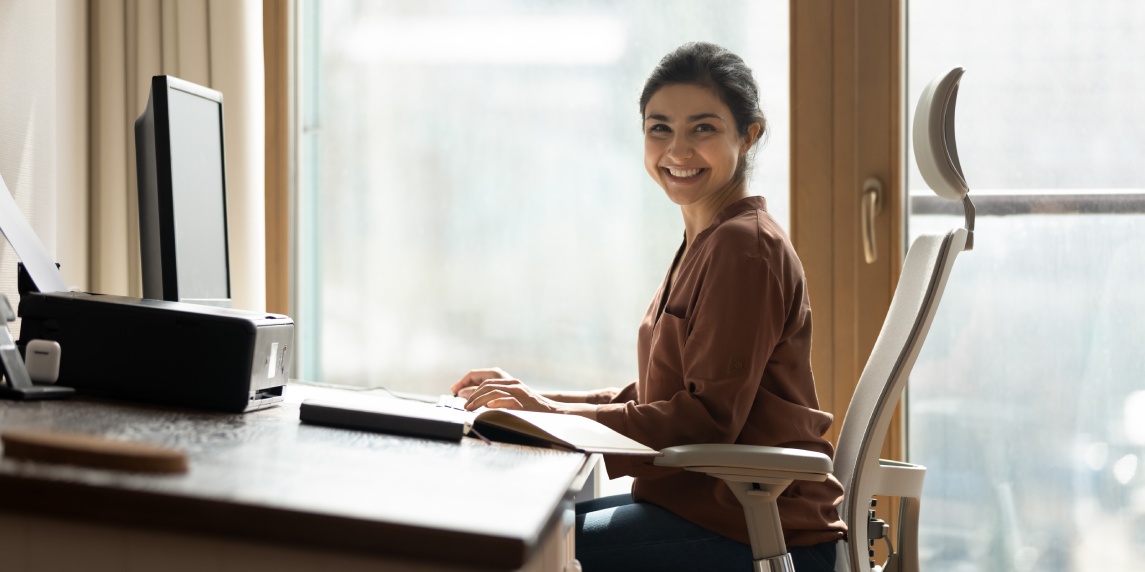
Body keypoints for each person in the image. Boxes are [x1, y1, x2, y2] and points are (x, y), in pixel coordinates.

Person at [451, 42, 845, 572]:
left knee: (517, 549)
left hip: (756, 530)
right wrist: (533, 401)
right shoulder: (708, 240)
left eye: (703, 129)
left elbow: (703, 421)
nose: (677, 150)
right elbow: (661, 396)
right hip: (705, 512)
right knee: (528, 522)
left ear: (750, 134)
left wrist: (546, 416)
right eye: (660, 129)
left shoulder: (744, 249)